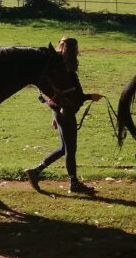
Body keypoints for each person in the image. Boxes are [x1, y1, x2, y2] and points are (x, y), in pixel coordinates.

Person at [25, 37, 102, 194]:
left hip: (58, 111)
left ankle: (36, 171)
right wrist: (91, 97)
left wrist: (54, 115)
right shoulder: (66, 68)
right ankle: (73, 183)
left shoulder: (57, 64)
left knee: (64, 148)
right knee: (70, 149)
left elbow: (54, 94)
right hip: (65, 111)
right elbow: (76, 95)